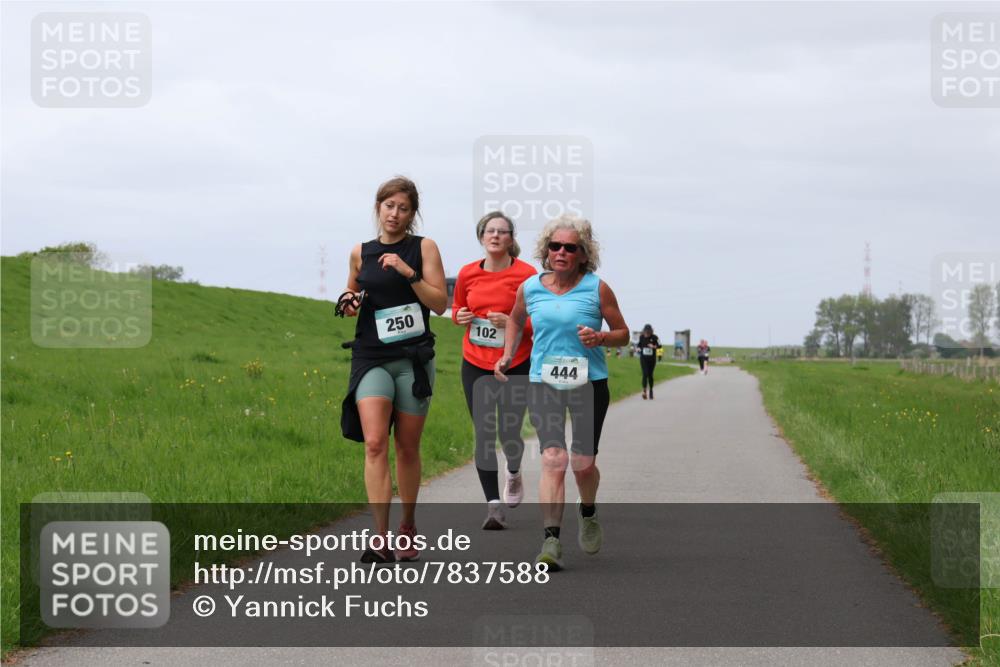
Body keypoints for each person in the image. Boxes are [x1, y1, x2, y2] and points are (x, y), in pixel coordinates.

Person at [495, 215, 629, 571]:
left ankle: (588, 511)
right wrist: (508, 354)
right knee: (554, 459)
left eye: (571, 247)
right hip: (544, 382)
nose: (561, 252)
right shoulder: (531, 287)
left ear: (583, 254)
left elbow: (623, 333)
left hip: (588, 383)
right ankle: (551, 541)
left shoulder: (597, 288)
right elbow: (515, 319)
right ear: (546, 250)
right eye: (555, 246)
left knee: (583, 465)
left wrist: (600, 337)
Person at [337, 176, 447, 564]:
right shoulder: (360, 252)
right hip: (371, 356)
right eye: (388, 206)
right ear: (378, 207)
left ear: (412, 214)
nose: (394, 214)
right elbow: (352, 294)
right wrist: (349, 302)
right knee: (374, 443)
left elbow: (439, 304)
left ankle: (408, 525)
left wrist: (408, 272)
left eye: (402, 208)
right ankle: (379, 536)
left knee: (407, 447)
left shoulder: (423, 248)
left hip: (413, 360)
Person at [452, 212, 537, 530]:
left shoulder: (528, 276)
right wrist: (459, 316)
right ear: (481, 236)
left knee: (510, 431)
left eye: (503, 232)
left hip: (516, 361)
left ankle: (513, 472)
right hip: (475, 362)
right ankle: (492, 506)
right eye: (490, 230)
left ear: (512, 239)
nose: (496, 236)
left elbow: (539, 320)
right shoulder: (467, 273)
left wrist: (513, 322)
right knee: (485, 434)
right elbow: (459, 308)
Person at [635, 324, 660, 399]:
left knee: (650, 375)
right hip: (643, 359)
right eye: (645, 332)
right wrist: (638, 348)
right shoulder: (641, 337)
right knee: (645, 374)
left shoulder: (655, 337)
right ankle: (644, 391)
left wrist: (653, 346)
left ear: (651, 331)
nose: (646, 334)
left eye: (648, 332)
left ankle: (651, 391)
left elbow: (660, 346)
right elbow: (639, 345)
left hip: (652, 359)